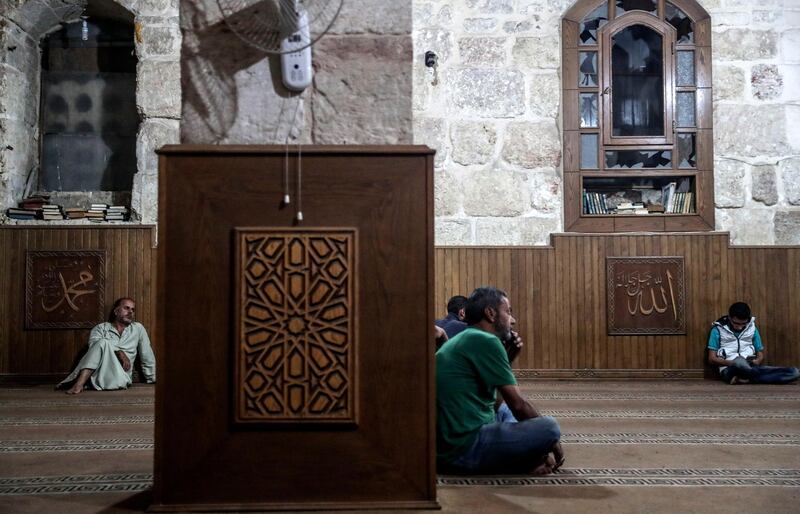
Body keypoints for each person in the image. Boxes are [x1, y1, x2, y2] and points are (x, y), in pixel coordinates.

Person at [436, 286, 564, 475]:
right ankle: (526, 460)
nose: (512, 320)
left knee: (504, 411)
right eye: (508, 311)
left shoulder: (467, 337)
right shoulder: (486, 340)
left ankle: (528, 458)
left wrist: (507, 358)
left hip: (452, 445)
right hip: (464, 450)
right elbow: (519, 405)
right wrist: (552, 442)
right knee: (549, 427)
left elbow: (494, 402)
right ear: (491, 313)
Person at [57, 297, 156, 394]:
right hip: (99, 374)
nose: (130, 312)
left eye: (133, 310)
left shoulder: (138, 329)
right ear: (116, 311)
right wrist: (119, 351)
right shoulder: (100, 328)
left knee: (103, 342)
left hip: (121, 377)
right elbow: (93, 347)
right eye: (126, 308)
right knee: (101, 342)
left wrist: (152, 377)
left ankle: (79, 384)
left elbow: (146, 354)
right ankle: (80, 384)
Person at [707, 302, 799, 385]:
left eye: (743, 324)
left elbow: (760, 354)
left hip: (751, 366)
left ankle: (745, 379)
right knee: (740, 362)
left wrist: (758, 360)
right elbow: (712, 359)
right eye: (736, 323)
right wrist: (732, 363)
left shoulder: (752, 328)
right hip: (729, 369)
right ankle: (749, 376)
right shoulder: (717, 330)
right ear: (729, 318)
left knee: (795, 373)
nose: (739, 327)